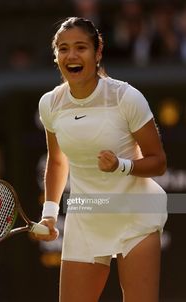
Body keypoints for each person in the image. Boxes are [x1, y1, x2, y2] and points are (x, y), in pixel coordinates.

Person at [36, 17, 168, 302]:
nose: (71, 55)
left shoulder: (126, 97)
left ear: (98, 52)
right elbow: (57, 161)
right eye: (63, 49)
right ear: (56, 56)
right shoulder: (50, 104)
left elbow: (158, 162)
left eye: (81, 47)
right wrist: (49, 214)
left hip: (135, 213)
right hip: (86, 215)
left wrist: (122, 166)